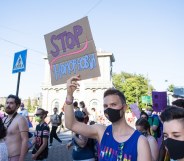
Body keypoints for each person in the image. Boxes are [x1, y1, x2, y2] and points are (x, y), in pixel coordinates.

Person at [65, 75, 152, 161]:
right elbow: (71, 124)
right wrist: (69, 95)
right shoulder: (101, 131)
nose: (108, 108)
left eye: (113, 104)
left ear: (124, 107)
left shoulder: (140, 141)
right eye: (105, 106)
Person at [3, 94, 29, 161]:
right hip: (3, 156)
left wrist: (21, 158)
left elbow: (25, 140)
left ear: (17, 106)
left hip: (14, 157)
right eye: (7, 103)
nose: (8, 105)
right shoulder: (3, 119)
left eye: (11, 103)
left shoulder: (21, 119)